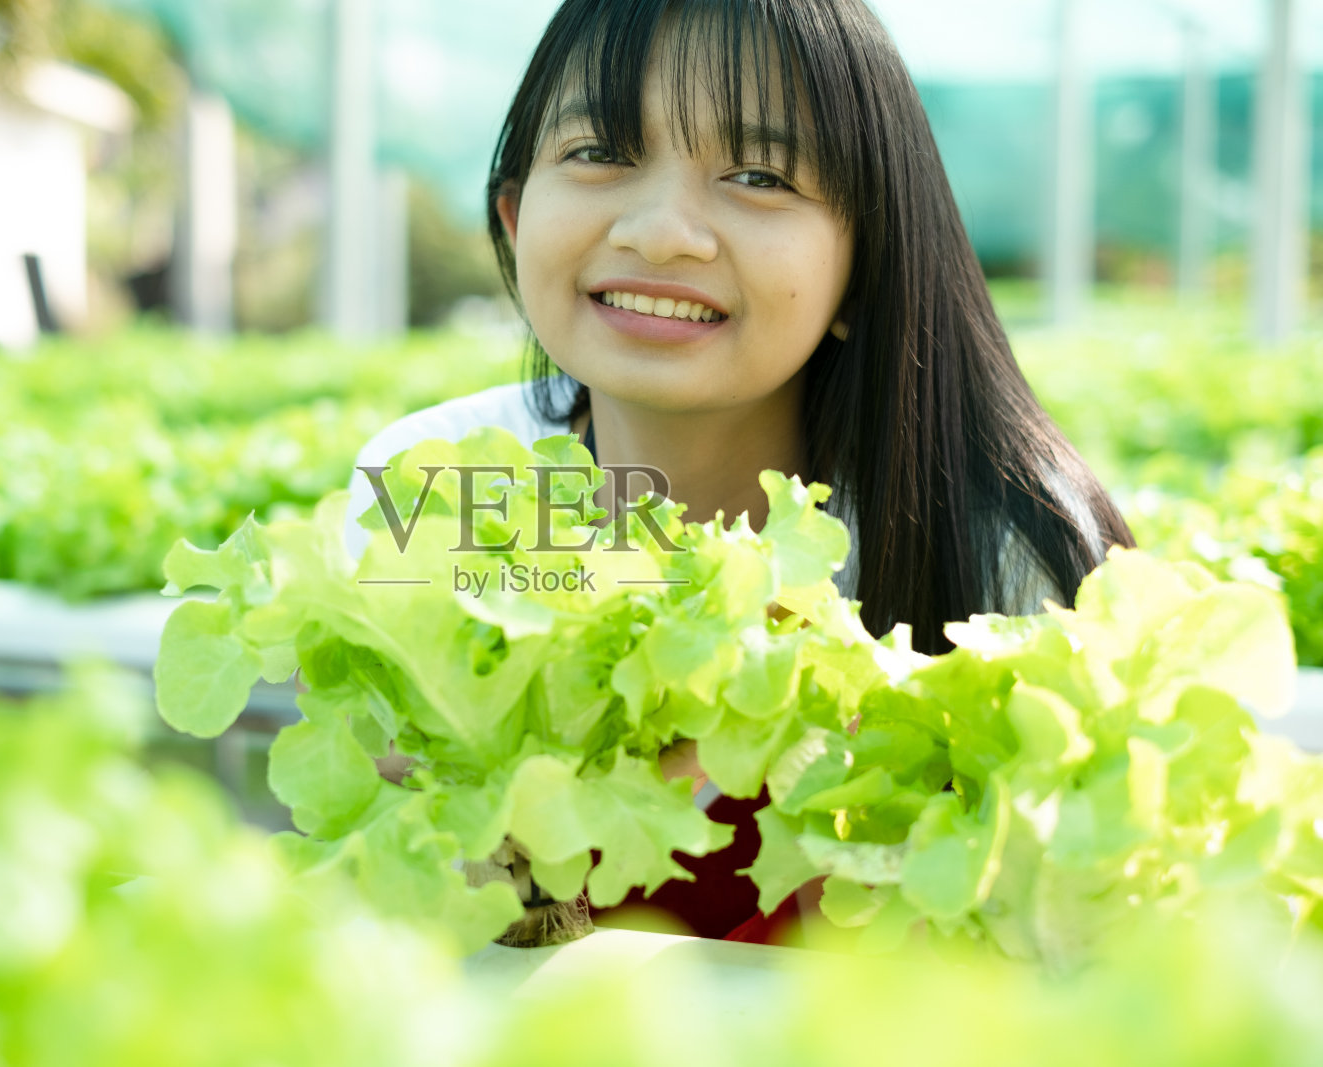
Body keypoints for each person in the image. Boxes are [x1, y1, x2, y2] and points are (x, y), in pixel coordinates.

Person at [340, 0, 1135, 945]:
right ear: (515, 217)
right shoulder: (445, 485)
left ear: (863, 269)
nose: (662, 233)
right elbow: (408, 901)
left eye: (757, 175)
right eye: (599, 151)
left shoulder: (1001, 548)